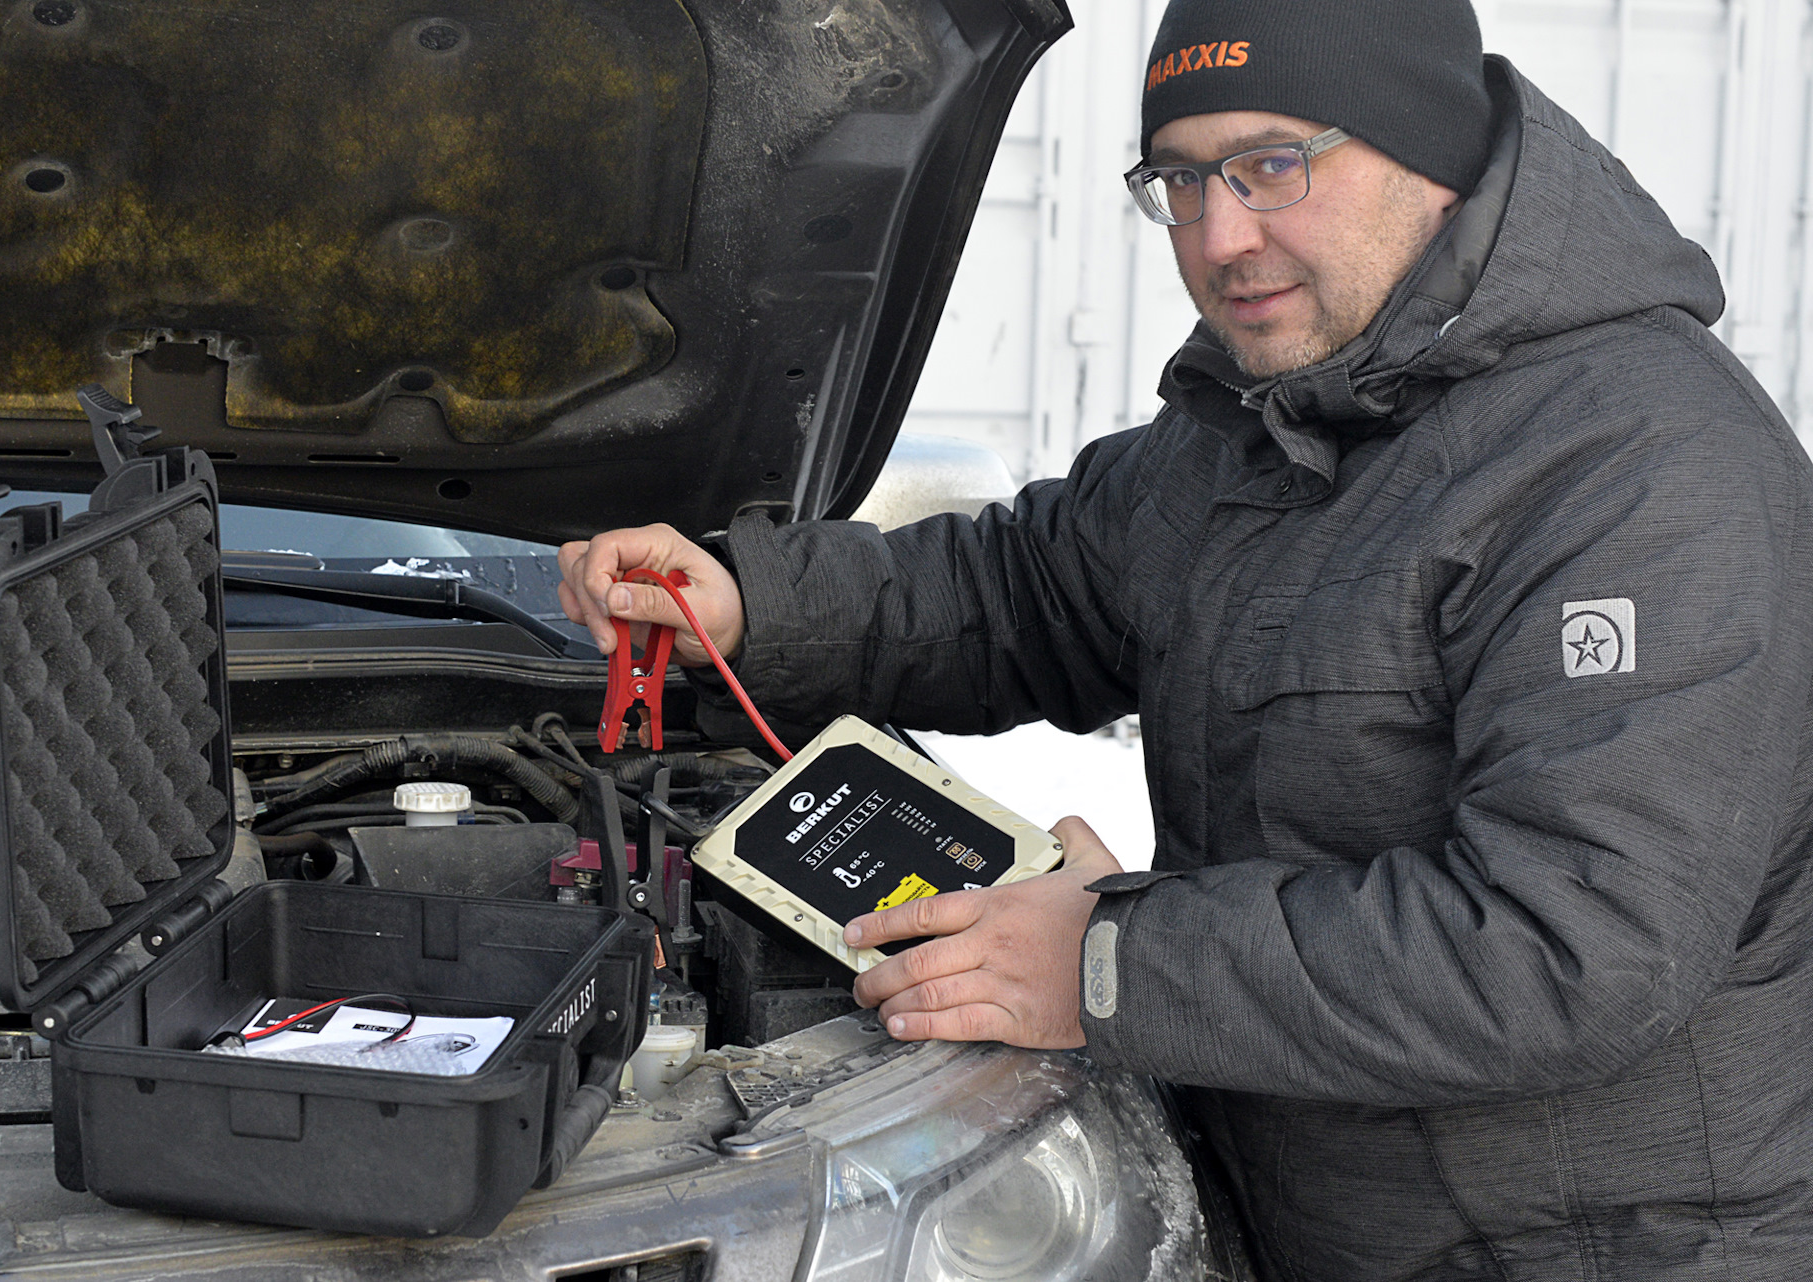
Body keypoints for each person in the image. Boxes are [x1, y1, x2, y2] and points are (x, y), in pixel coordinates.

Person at [560, 0, 1813, 1275]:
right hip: (1301, 1217)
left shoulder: (1642, 466)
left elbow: (1570, 949)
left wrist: (1109, 965)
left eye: (1273, 165)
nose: (1220, 236)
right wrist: (749, 603)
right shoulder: (1255, 424)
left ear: (1430, 153)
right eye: (1180, 178)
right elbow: (1019, 592)